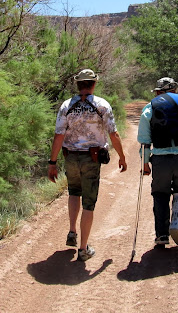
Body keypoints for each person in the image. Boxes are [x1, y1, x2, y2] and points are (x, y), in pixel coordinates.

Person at [48, 68, 127, 261]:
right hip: (91, 160)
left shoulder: (66, 106)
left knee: (74, 192)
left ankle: (72, 231)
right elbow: (113, 134)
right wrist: (122, 157)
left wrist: (52, 162)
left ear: (78, 84)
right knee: (89, 203)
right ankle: (83, 249)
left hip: (71, 157)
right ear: (93, 84)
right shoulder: (102, 105)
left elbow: (59, 136)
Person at [137, 77, 178, 246]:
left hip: (160, 160)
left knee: (160, 194)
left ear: (159, 91)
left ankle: (162, 235)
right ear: (175, 90)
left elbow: (145, 141)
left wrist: (145, 164)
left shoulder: (149, 108)